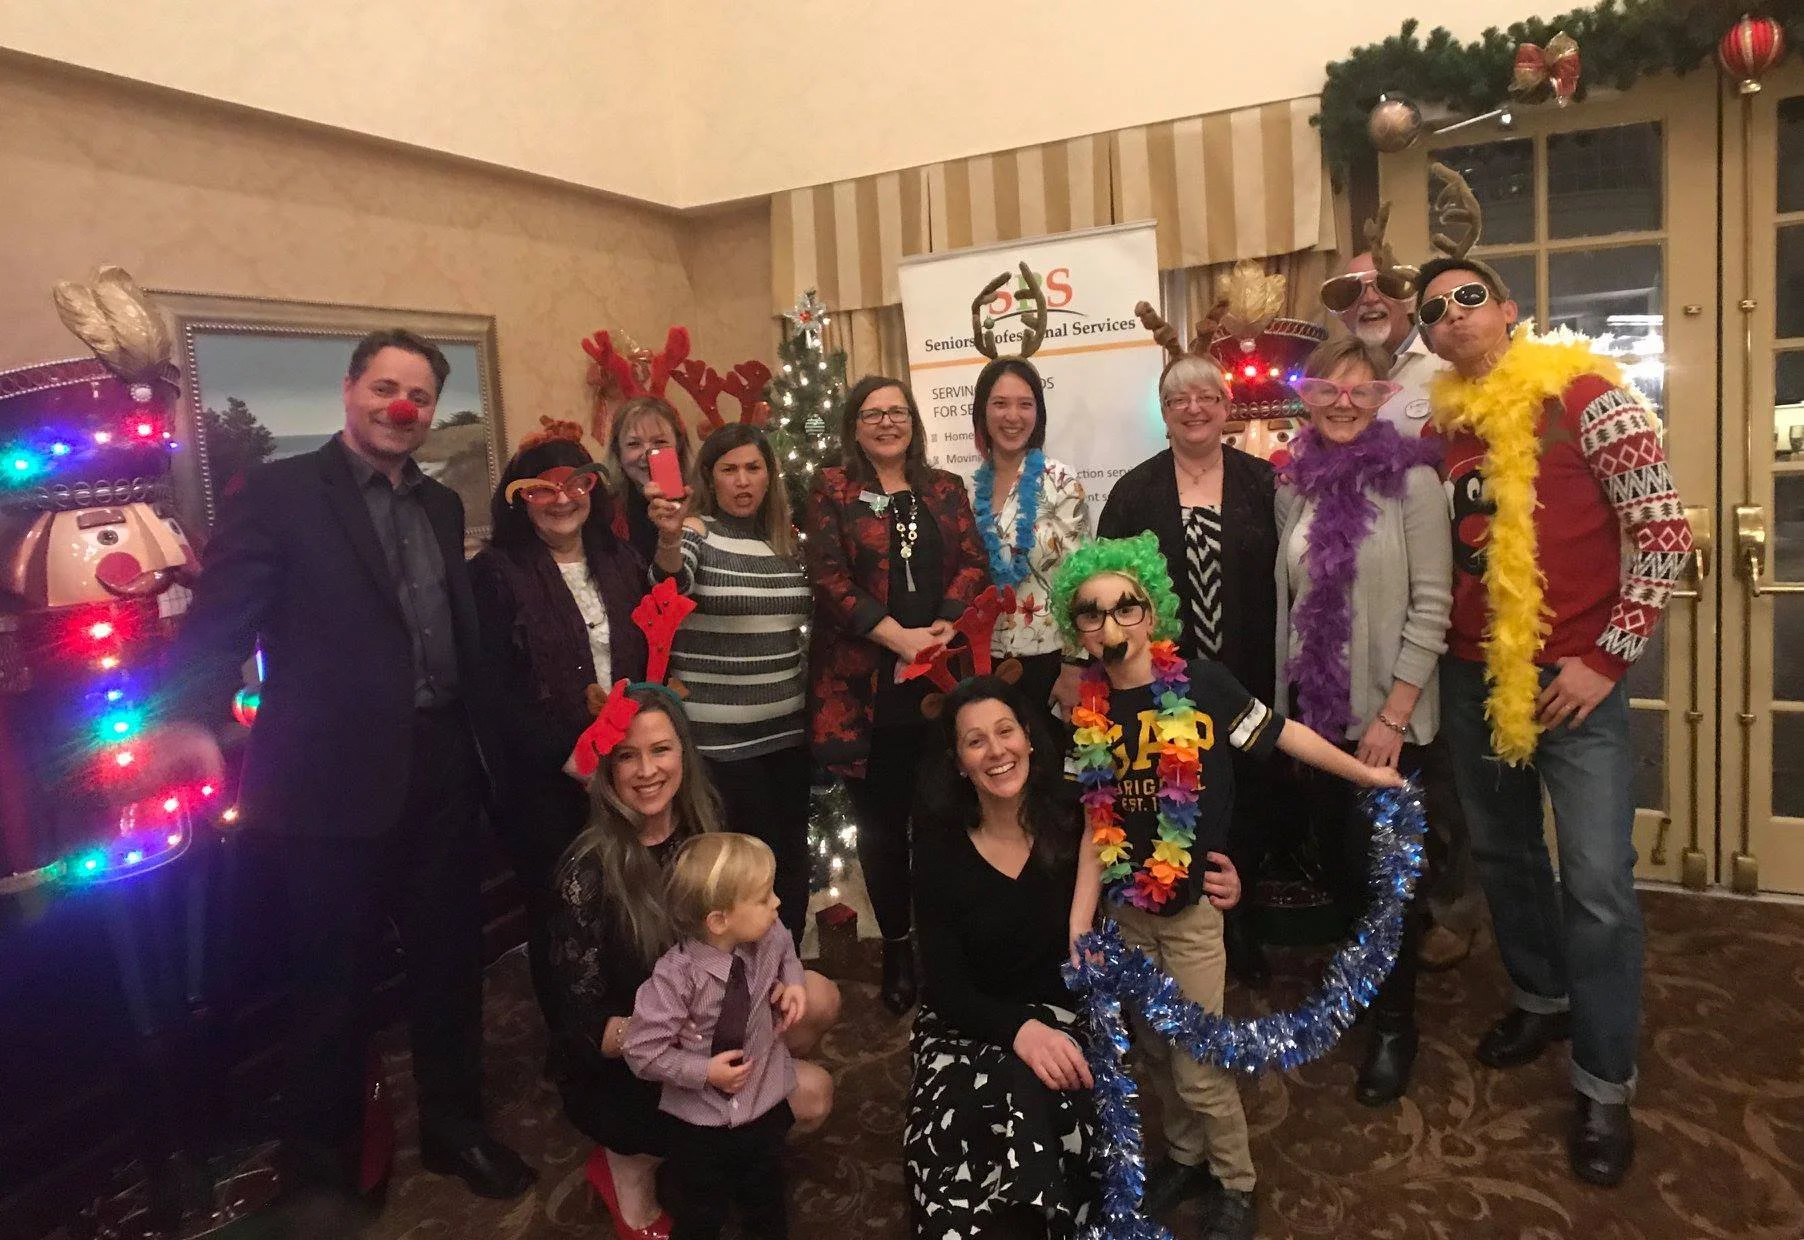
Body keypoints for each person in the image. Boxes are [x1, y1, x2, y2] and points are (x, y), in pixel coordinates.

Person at [147, 330, 535, 1210]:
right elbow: (221, 617)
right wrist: (184, 714)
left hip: (441, 764)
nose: (402, 407)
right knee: (331, 984)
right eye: (386, 388)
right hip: (328, 785)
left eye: (421, 396)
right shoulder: (280, 493)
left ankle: (456, 1129)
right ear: (350, 390)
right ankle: (321, 1174)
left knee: (449, 966)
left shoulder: (438, 505)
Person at [1415, 246, 1691, 1187]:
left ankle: (1604, 1085)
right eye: (1434, 310)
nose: (1451, 315)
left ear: (1508, 308)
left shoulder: (1586, 397)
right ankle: (1541, 992)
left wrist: (1607, 658)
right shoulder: (1441, 425)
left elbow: (1664, 530)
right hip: (1470, 678)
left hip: (1577, 683)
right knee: (1502, 856)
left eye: (1467, 298)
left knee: (1601, 884)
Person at [1055, 534, 1402, 1240]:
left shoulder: (1203, 686)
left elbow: (1283, 737)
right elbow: (1097, 824)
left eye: (1127, 606)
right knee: (1153, 1051)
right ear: (1079, 629)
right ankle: (1186, 1159)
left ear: (1152, 612)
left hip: (1189, 918)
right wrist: (1079, 919)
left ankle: (1237, 1183)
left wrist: (1363, 774)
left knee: (1200, 1064)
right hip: (1126, 917)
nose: (1112, 624)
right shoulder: (1089, 715)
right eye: (1093, 613)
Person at [548, 688, 839, 1239]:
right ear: (607, 769)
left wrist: (772, 995)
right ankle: (631, 1160)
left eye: (660, 749)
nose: (646, 770)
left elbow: (765, 931)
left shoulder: (709, 832)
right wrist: (682, 1039)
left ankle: (726, 1146)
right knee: (811, 1093)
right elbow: (581, 1030)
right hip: (637, 1062)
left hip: (715, 1023)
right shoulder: (585, 875)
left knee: (820, 1001)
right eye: (627, 756)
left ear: (684, 751)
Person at [1275, 337, 1451, 1105]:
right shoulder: (1296, 487)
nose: (1342, 403)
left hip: (1389, 723)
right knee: (1339, 871)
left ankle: (1395, 1025)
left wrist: (1396, 712)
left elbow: (1432, 605)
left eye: (1359, 390)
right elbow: (1291, 605)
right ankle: (1364, 989)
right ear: (1307, 398)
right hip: (1319, 719)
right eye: (1327, 390)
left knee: (1388, 881)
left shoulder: (1410, 480)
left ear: (1382, 397)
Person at [802, 374, 990, 1015]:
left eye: (899, 412)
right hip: (866, 691)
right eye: (874, 413)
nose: (888, 422)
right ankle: (899, 950)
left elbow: (973, 561)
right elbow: (826, 577)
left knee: (944, 819)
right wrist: (897, 638)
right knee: (881, 831)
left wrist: (943, 623)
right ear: (854, 425)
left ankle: (945, 945)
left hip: (938, 687)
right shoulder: (831, 489)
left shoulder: (946, 488)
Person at [1321, 232, 1482, 971]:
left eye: (1381, 285)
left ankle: (1441, 921)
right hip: (1359, 620)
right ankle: (1382, 938)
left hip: (1445, 598)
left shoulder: (1445, 368)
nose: (1369, 299)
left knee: (1442, 788)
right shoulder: (1337, 378)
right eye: (1354, 292)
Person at [1096, 356, 1279, 988]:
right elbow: (1106, 588)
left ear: (1227, 407)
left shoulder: (1265, 483)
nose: (1194, 409)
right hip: (1163, 687)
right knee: (1178, 800)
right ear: (1165, 413)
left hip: (1250, 670)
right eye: (1179, 401)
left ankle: (1243, 926)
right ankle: (1179, 927)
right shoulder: (1134, 491)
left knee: (1248, 797)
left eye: (1207, 397)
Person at [470, 420, 649, 1041]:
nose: (562, 499)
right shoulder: (493, 573)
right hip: (545, 780)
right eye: (542, 491)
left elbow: (651, 653)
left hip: (631, 766)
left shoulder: (621, 560)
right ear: (519, 500)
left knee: (629, 901)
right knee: (562, 912)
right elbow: (494, 692)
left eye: (575, 485)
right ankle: (577, 1039)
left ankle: (641, 1025)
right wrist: (570, 757)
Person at [907, 675, 1095, 1239]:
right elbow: (943, 986)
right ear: (959, 762)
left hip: (1065, 1018)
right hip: (965, 1024)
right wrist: (1018, 1031)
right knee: (975, 1114)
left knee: (1042, 1105)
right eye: (975, 741)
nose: (996, 751)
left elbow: (1167, 850)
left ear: (1031, 740)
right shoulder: (939, 841)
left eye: (1006, 731)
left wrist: (1222, 879)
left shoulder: (1077, 816)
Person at [645, 423, 812, 944]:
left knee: (786, 863)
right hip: (718, 746)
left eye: (753, 468)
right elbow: (671, 582)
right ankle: (727, 986)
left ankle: (785, 969)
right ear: (710, 478)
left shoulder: (786, 543)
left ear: (770, 477)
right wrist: (670, 536)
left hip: (786, 738)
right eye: (729, 469)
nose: (743, 481)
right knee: (726, 877)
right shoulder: (697, 532)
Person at [624, 833, 807, 1240]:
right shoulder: (675, 979)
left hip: (763, 1099)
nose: (776, 904)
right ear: (719, 920)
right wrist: (702, 1071)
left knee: (768, 1199)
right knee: (700, 1211)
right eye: (763, 898)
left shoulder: (769, 933)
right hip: (699, 1122)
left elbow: (787, 947)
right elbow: (640, 1050)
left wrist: (792, 983)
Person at [967, 357, 1091, 720]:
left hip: (1049, 660)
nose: (1012, 416)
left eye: (1025, 404)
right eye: (1000, 404)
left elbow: (1081, 578)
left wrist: (1074, 666)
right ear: (982, 412)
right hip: (983, 662)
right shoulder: (966, 490)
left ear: (1038, 413)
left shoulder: (1060, 482)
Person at [606, 395, 693, 562]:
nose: (647, 454)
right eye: (633, 444)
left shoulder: (699, 503)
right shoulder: (606, 509)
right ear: (618, 451)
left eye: (660, 442)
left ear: (679, 446)